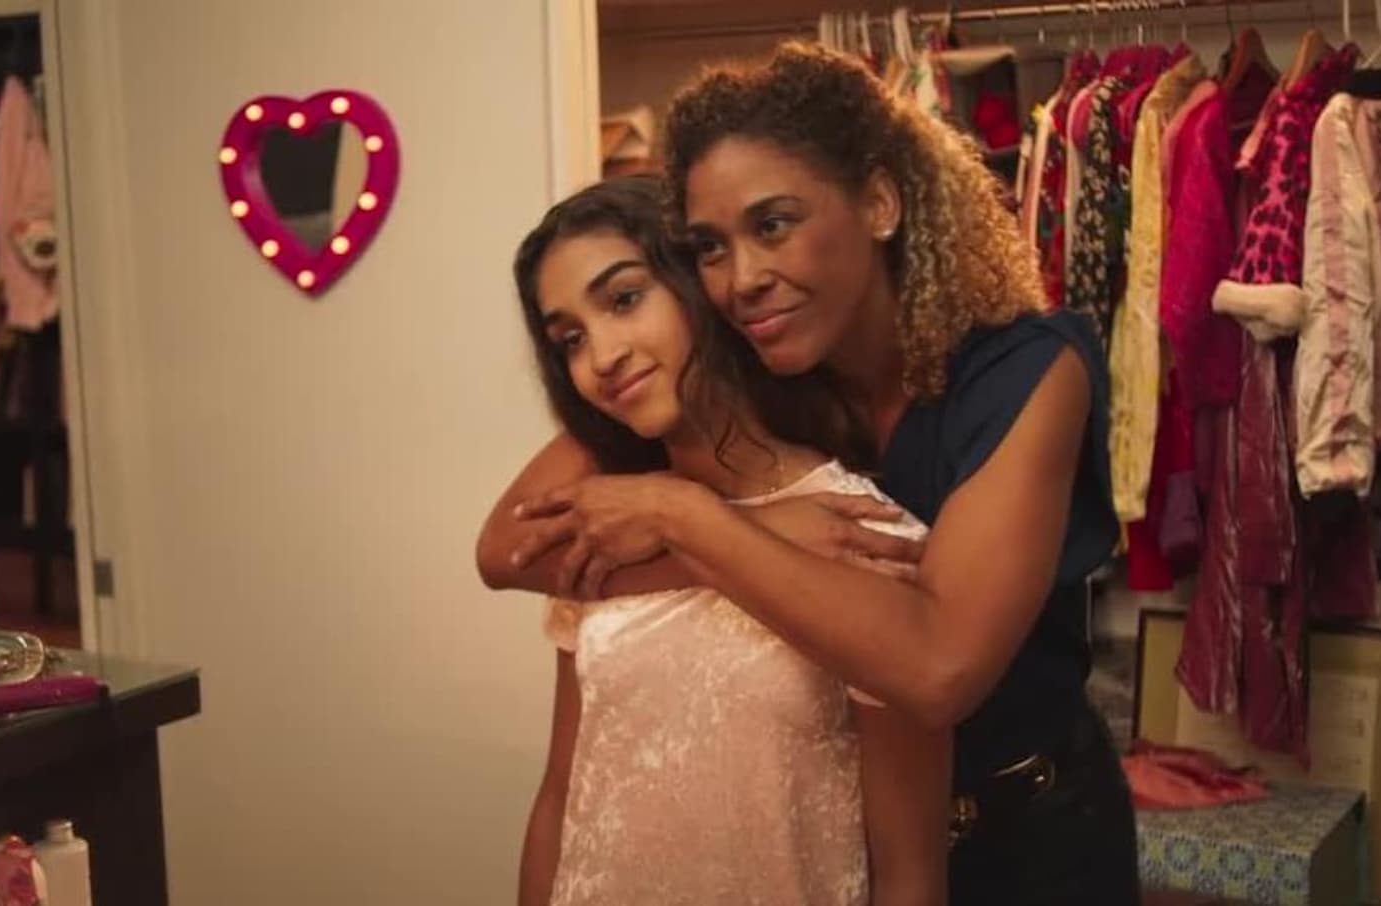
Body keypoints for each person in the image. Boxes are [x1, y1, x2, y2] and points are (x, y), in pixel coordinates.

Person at [480, 43, 1138, 905]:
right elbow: (507, 549)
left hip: (1029, 834)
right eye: (710, 247)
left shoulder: (1024, 373)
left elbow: (938, 667)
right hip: (848, 842)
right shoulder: (747, 363)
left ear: (878, 202)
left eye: (773, 225)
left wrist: (683, 516)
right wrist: (743, 533)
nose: (743, 278)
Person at [510, 176, 949, 906]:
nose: (601, 357)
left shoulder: (862, 536)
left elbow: (910, 873)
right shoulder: (610, 528)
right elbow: (562, 793)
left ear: (700, 286)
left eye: (624, 299)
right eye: (571, 340)